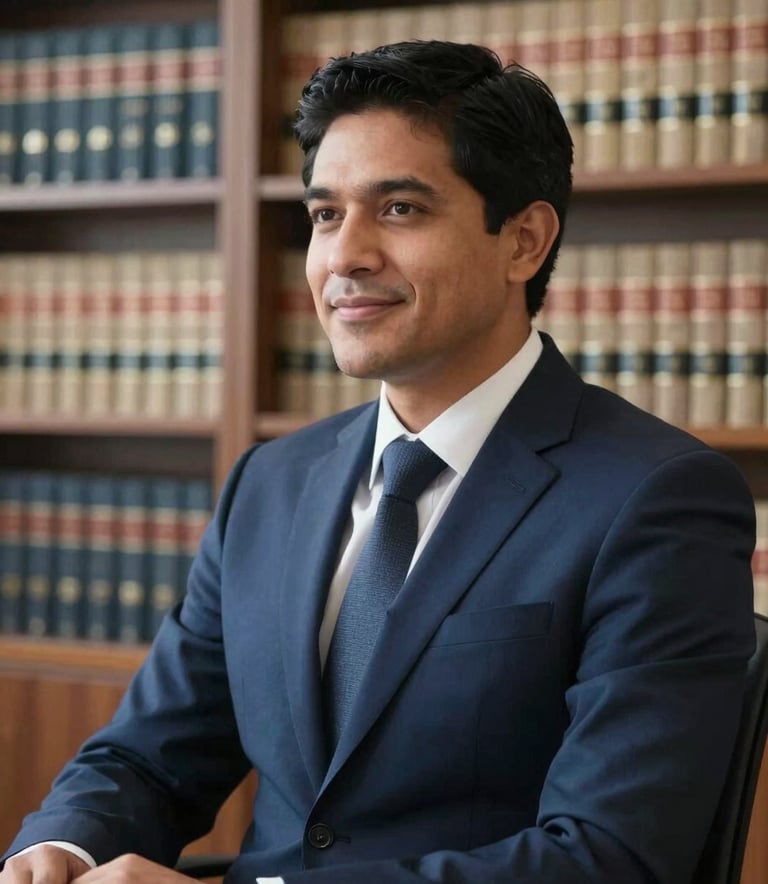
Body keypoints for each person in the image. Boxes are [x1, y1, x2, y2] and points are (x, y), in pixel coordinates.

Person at [0, 40, 756, 884]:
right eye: (326, 214)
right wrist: (58, 850)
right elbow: (147, 756)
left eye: (398, 209)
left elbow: (609, 858)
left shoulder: (657, 499)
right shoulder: (271, 483)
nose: (343, 257)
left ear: (524, 241)